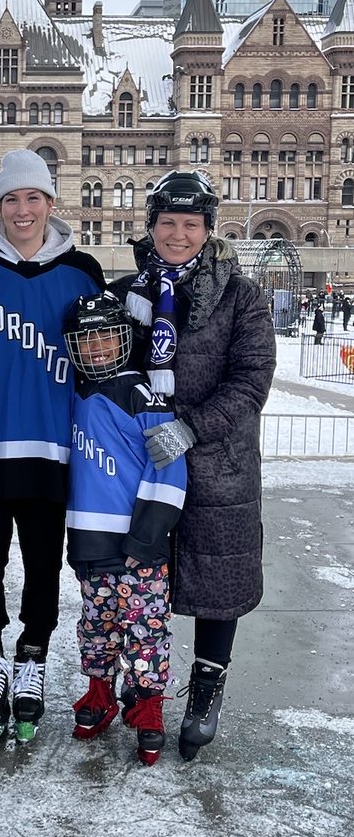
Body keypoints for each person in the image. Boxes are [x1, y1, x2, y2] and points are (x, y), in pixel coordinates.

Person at [111, 170, 276, 761]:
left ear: (207, 230)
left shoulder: (240, 295)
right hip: (142, 462)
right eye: (168, 222)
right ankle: (142, 688)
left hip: (216, 463)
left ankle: (206, 688)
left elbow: (251, 380)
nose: (178, 234)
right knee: (139, 581)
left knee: (216, 582)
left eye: (191, 224)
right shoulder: (129, 290)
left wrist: (192, 428)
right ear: (151, 225)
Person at [0, 149, 105, 743]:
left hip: (52, 445)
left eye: (32, 197)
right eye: (10, 199)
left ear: (50, 201)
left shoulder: (82, 271)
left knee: (45, 563)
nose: (22, 209)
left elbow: (103, 361)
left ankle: (33, 655)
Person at [63, 292, 186, 766]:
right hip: (92, 545)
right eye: (85, 340)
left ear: (124, 338)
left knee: (146, 628)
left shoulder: (145, 394)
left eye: (105, 337)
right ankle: (100, 691)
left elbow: (171, 464)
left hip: (139, 547)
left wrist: (148, 536)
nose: (95, 349)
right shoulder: (72, 392)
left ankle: (147, 704)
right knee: (97, 624)